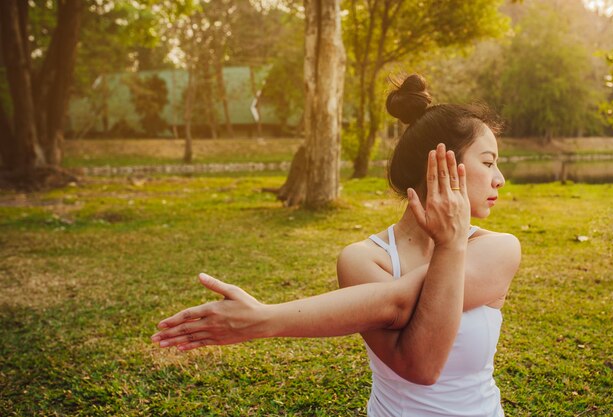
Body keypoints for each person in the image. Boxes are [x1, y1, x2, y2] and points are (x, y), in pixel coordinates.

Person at [151, 74, 521, 417]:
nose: (500, 179)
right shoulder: (363, 259)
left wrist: (265, 319)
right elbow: (417, 363)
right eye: (488, 163)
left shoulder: (499, 249)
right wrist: (451, 245)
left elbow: (402, 302)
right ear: (439, 166)